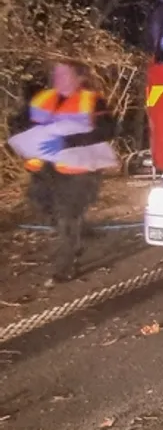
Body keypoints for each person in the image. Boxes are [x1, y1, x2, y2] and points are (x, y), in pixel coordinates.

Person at [14, 60, 116, 283]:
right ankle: (80, 232)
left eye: (64, 74)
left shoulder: (91, 101)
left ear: (79, 78)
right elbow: (21, 122)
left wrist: (68, 141)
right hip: (43, 168)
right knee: (40, 204)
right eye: (57, 73)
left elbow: (108, 130)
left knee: (67, 217)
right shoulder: (42, 98)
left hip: (77, 171)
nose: (58, 77)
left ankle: (66, 265)